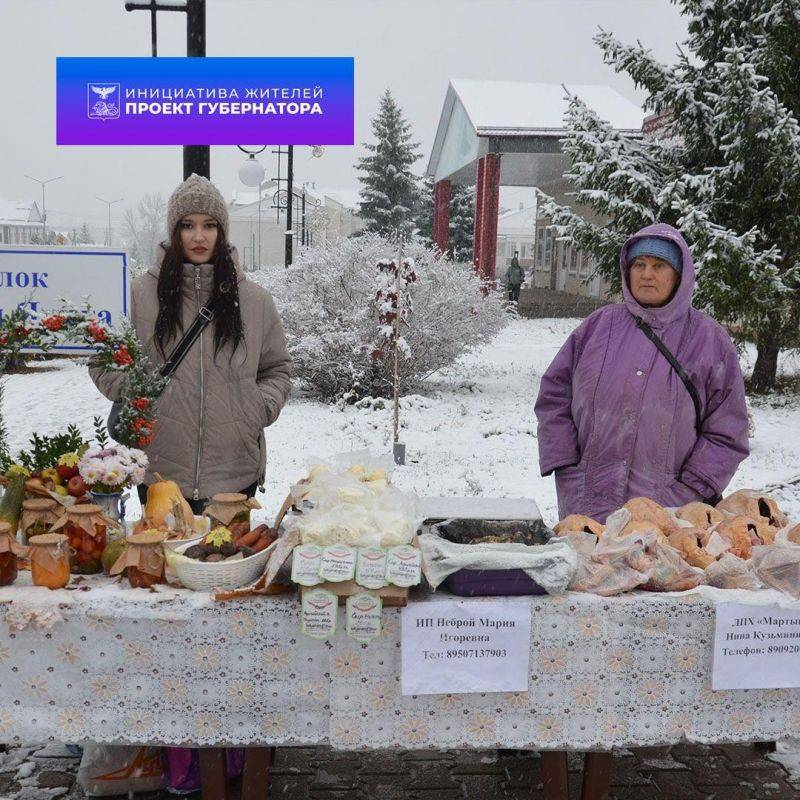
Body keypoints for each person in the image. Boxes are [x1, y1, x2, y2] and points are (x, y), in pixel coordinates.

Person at [90, 173, 292, 514]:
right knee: (162, 563)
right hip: (159, 471)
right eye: (187, 225)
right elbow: (103, 360)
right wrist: (139, 394)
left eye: (209, 225)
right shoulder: (139, 295)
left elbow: (277, 369)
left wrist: (254, 408)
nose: (199, 236)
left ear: (222, 230)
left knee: (226, 563)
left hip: (234, 471)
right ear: (174, 230)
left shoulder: (255, 300)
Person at [535, 222, 749, 523]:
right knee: (589, 571)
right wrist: (567, 465)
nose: (646, 274)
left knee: (659, 571)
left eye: (659, 265)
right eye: (639, 264)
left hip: (667, 513)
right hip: (587, 507)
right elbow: (554, 396)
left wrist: (690, 490)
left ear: (679, 275)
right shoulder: (599, 328)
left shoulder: (709, 341)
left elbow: (727, 432)